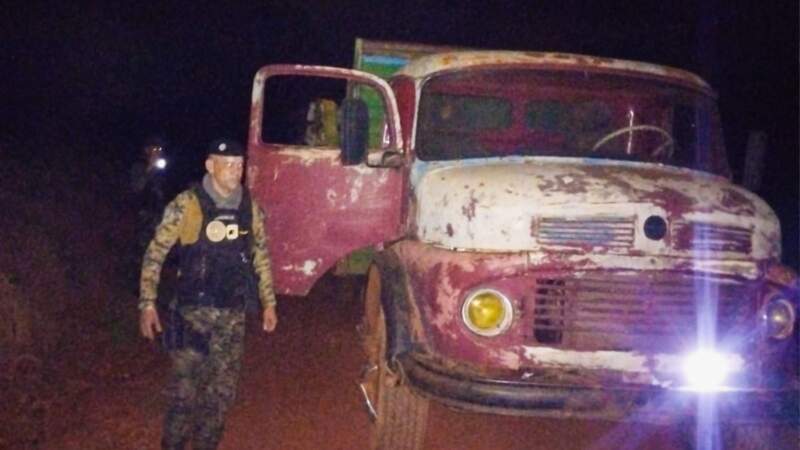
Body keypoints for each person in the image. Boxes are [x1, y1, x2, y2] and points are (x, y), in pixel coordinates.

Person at [138, 138, 278, 450]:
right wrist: (147, 304)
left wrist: (269, 302)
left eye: (240, 165)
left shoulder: (249, 209)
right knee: (184, 394)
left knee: (220, 396)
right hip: (191, 316)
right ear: (210, 166)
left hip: (232, 316)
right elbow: (155, 254)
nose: (235, 170)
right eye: (228, 164)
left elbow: (261, 256)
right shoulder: (187, 204)